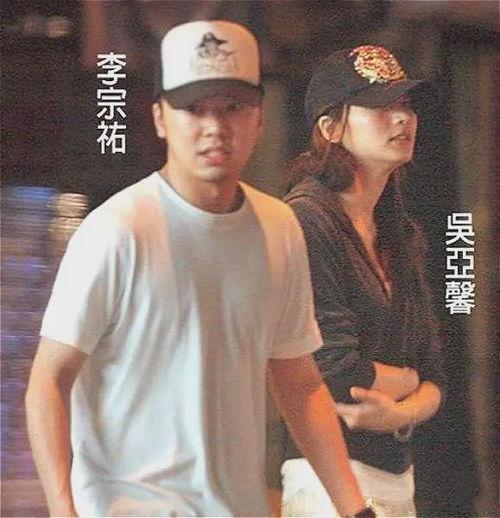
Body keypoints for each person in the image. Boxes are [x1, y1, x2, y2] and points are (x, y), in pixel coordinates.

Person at [25, 20, 373, 517]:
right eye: (194, 108)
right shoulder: (117, 230)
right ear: (159, 118)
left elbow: (299, 382)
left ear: (259, 116)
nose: (215, 127)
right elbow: (49, 380)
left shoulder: (279, 227)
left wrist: (356, 510)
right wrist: (64, 510)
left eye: (233, 107)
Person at [279, 45, 447, 517]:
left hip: (399, 478)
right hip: (326, 481)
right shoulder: (307, 219)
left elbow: (436, 370)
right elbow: (335, 372)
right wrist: (409, 380)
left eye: (406, 104)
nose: (402, 118)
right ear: (331, 128)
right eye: (380, 106)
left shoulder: (400, 230)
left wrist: (400, 412)